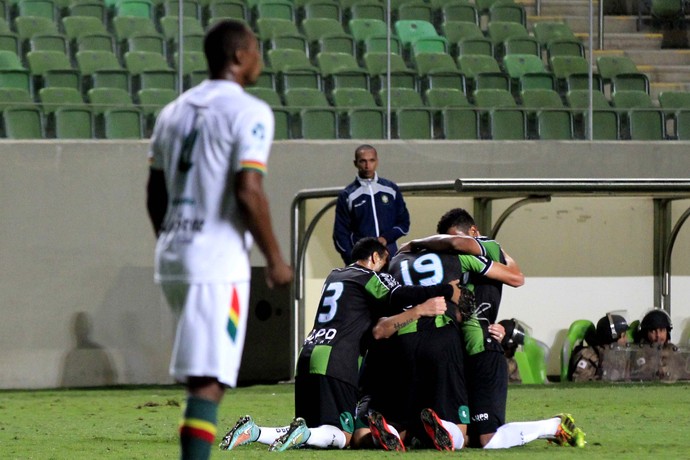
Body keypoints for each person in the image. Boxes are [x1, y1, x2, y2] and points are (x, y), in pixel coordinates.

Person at [145, 19, 293, 460]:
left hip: (174, 253)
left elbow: (155, 194)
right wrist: (276, 259)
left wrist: (174, 238)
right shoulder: (249, 111)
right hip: (216, 261)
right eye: (256, 49)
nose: (260, 57)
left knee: (201, 377)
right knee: (211, 379)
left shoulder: (173, 111)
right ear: (238, 56)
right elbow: (249, 190)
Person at [219, 237, 461, 452]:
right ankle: (303, 433)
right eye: (384, 263)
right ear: (375, 257)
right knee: (342, 435)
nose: (386, 272)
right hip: (337, 360)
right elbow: (397, 296)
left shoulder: (335, 275)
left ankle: (255, 431)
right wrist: (445, 290)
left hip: (309, 354)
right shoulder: (366, 277)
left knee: (313, 430)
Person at [394, 208, 586, 450]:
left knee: (488, 439)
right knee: (466, 436)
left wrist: (415, 243)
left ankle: (553, 425)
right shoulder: (452, 260)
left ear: (474, 232)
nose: (453, 247)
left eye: (454, 241)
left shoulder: (484, 245)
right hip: (460, 352)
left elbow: (516, 277)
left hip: (483, 349)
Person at [333, 144, 410, 265]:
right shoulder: (348, 195)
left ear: (377, 161)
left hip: (390, 257)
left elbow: (404, 223)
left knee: (391, 284)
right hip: (363, 261)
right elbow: (340, 233)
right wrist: (352, 260)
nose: (367, 166)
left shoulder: (390, 189)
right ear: (355, 163)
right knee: (368, 285)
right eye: (363, 161)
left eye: (371, 160)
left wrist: (386, 238)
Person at [570, 313, 629, 382]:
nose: (626, 339)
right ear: (613, 337)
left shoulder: (617, 353)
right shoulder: (588, 357)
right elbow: (578, 383)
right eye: (623, 336)